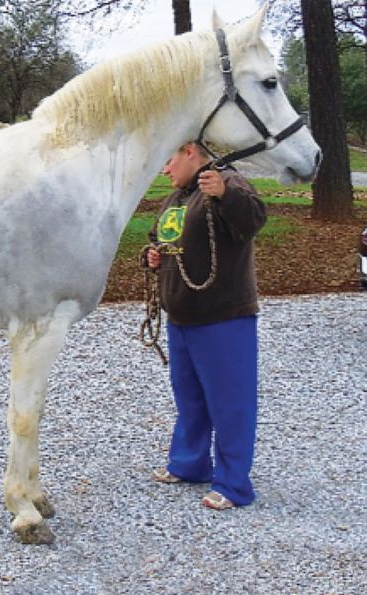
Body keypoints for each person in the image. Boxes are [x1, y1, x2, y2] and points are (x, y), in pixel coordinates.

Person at [144, 142, 267, 510]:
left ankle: (233, 485)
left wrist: (226, 194)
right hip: (182, 317)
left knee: (230, 403)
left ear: (190, 151)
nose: (165, 170)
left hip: (223, 317)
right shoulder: (177, 199)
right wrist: (150, 256)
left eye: (169, 160)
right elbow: (159, 238)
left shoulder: (227, 182)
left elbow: (253, 219)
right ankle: (190, 464)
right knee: (191, 399)